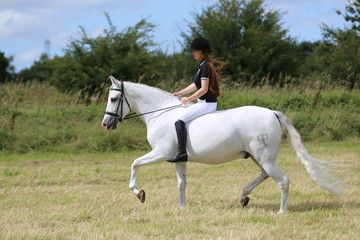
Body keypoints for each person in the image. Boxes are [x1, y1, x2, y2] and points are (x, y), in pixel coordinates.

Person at [167, 36, 226, 163]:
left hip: (207, 104)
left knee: (179, 121)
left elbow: (203, 89)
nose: (193, 53)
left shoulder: (205, 67)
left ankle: (182, 153)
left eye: (195, 51)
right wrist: (180, 92)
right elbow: (196, 85)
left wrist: (188, 99)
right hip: (202, 102)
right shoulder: (201, 65)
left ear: (202, 51)